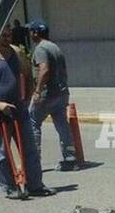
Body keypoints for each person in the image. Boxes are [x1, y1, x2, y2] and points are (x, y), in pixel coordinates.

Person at [0, 25, 56, 199]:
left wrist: (27, 96)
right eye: (3, 35)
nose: (7, 38)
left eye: (9, 34)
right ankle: (9, 187)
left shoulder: (17, 52)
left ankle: (34, 185)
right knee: (3, 153)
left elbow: (27, 73)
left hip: (19, 111)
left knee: (29, 149)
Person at [26, 20, 78, 171]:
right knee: (62, 126)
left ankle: (34, 162)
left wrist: (37, 90)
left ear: (36, 33)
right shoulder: (54, 47)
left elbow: (45, 69)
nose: (30, 34)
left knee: (33, 122)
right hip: (61, 93)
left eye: (31, 31)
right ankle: (70, 158)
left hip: (46, 95)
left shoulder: (41, 49)